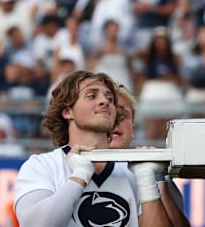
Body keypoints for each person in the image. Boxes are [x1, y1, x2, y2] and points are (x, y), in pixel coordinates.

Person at [13, 70, 174, 227]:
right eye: (91, 96)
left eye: (110, 98)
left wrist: (146, 180)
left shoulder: (134, 170)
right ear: (68, 112)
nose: (105, 101)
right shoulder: (42, 166)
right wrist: (79, 177)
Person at [110, 84, 191, 227]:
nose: (116, 121)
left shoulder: (153, 169)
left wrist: (158, 180)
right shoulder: (74, 169)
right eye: (110, 114)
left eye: (122, 115)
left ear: (133, 130)